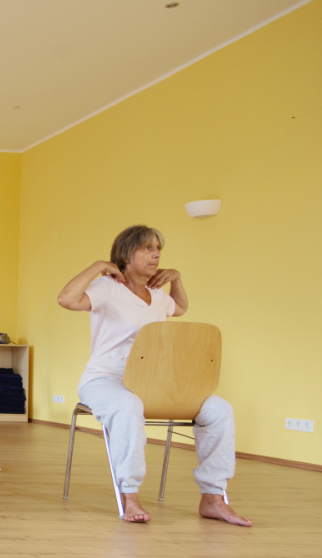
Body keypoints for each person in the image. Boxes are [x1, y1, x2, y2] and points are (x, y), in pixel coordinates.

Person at [57, 225, 251, 526]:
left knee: (220, 410)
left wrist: (177, 279)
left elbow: (181, 308)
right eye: (147, 248)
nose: (156, 254)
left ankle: (213, 498)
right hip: (106, 379)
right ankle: (129, 494)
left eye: (158, 248)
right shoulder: (108, 288)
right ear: (126, 254)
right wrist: (98, 266)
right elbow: (66, 299)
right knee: (127, 406)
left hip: (154, 383)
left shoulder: (158, 295)